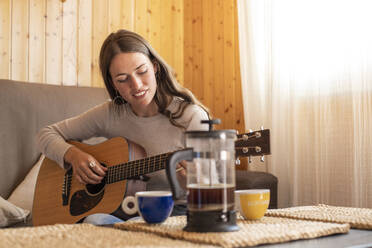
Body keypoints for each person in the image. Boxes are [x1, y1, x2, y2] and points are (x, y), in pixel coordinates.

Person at [37, 29, 210, 225]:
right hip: (120, 212)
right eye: (122, 79)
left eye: (142, 71)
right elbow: (46, 134)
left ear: (155, 67)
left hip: (171, 214)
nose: (136, 85)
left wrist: (190, 184)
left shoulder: (191, 117)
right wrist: (74, 156)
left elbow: (208, 192)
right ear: (113, 83)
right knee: (93, 221)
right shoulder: (111, 114)